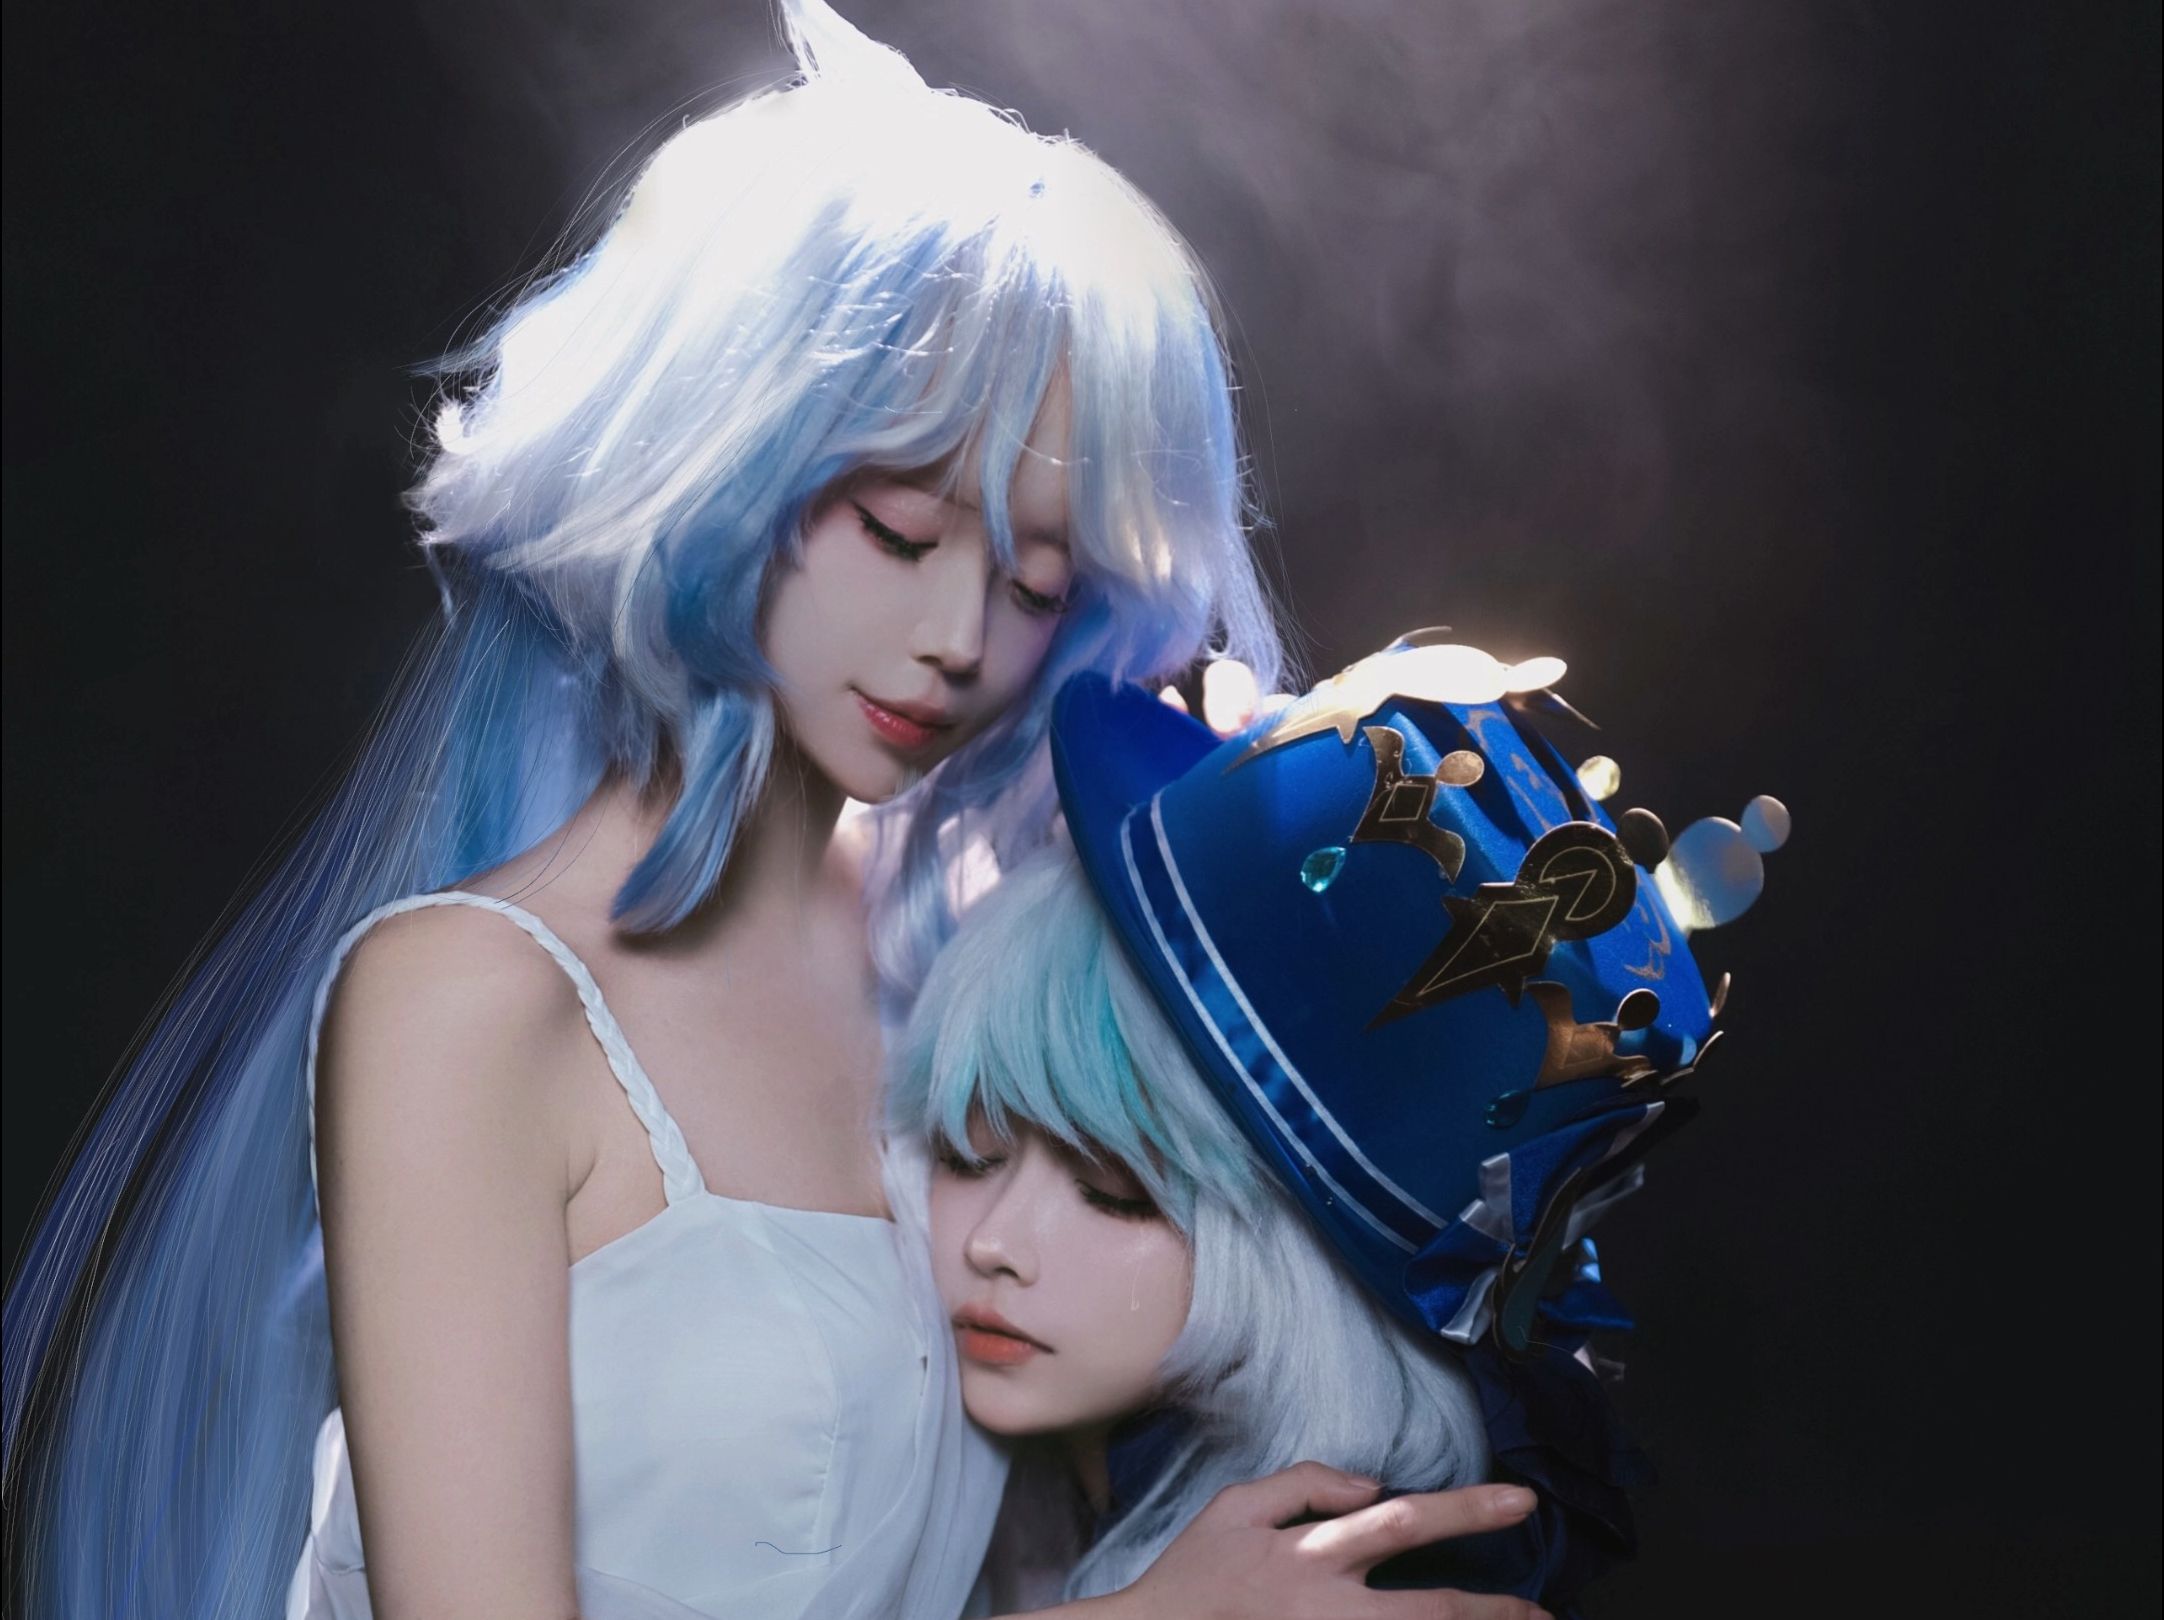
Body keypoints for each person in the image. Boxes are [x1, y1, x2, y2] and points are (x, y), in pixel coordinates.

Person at [0, 6, 1514, 1618]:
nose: (961, 639)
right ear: (729, 467)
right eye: (899, 533)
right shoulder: (467, 1003)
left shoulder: (980, 967)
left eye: (1037, 584)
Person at [892, 636, 1785, 1613]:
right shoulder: (1055, 1473)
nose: (992, 1244)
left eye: (1115, 1194)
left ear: (1302, 1278)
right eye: (968, 1150)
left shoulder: (1364, 1589)